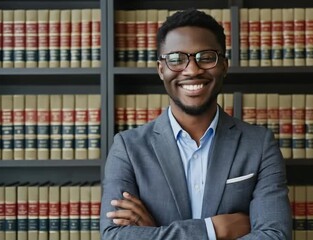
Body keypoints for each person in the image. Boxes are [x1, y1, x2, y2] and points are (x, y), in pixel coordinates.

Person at [100, 8, 292, 240]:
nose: (192, 70)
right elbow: (114, 236)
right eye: (176, 59)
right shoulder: (128, 148)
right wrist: (214, 229)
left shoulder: (259, 144)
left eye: (206, 57)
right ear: (161, 70)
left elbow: (275, 236)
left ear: (224, 65)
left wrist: (156, 233)